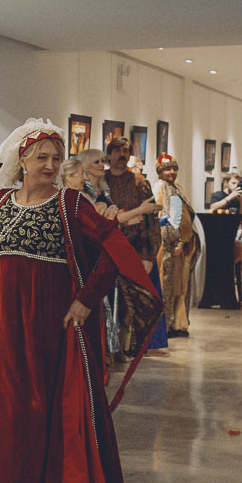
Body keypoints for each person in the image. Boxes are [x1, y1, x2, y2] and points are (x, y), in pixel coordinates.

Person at [0, 119, 162, 483]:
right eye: (41, 157)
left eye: (55, 158)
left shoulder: (71, 204)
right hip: (5, 334)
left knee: (48, 417)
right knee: (5, 420)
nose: (49, 165)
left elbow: (112, 248)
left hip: (54, 332)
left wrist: (85, 300)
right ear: (21, 160)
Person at [103, 136, 166, 354]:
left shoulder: (139, 182)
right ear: (109, 155)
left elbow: (150, 221)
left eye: (126, 151)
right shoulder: (101, 181)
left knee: (132, 301)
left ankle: (129, 346)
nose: (122, 155)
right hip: (108, 248)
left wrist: (148, 256)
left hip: (135, 248)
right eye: (118, 151)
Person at [153, 153, 200, 337]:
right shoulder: (159, 188)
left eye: (174, 169)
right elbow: (162, 218)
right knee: (166, 286)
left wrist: (183, 241)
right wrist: (174, 241)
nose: (172, 172)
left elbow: (182, 218)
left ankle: (176, 323)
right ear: (159, 172)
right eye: (167, 169)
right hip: (167, 247)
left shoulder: (177, 188)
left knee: (178, 287)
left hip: (180, 246)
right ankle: (163, 326)